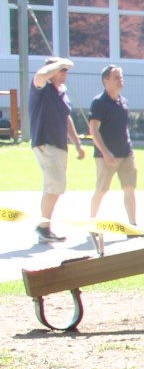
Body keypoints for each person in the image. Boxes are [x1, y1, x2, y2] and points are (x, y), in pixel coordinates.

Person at [29, 56, 86, 242]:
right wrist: (61, 63)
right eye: (61, 71)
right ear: (52, 71)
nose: (64, 75)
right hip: (46, 142)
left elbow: (66, 119)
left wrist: (77, 143)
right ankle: (43, 227)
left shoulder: (62, 92)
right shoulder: (42, 88)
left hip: (60, 145)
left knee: (51, 186)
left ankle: (45, 228)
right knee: (55, 185)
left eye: (65, 71)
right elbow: (39, 75)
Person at [88, 64, 138, 226]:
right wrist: (105, 151)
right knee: (102, 190)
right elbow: (94, 129)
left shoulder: (123, 102)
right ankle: (92, 222)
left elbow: (124, 128)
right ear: (106, 80)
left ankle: (133, 225)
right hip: (106, 156)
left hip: (126, 153)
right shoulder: (99, 103)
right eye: (116, 77)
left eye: (121, 77)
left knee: (129, 189)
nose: (120, 80)